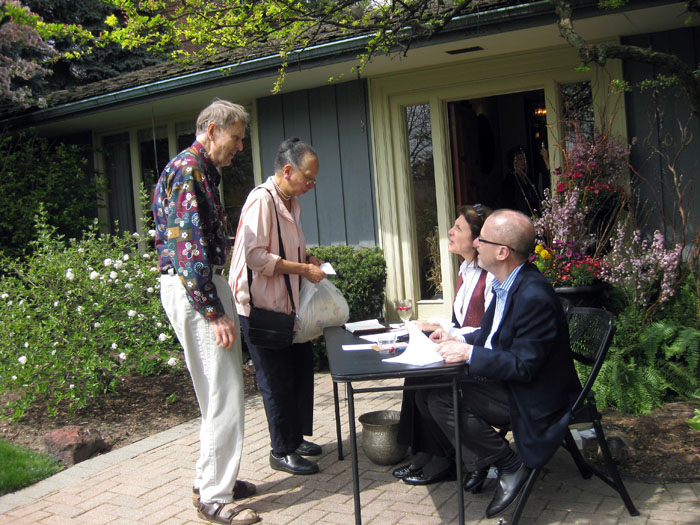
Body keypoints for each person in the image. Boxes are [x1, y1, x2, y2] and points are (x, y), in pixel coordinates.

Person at [417, 209, 582, 518]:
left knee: (441, 398)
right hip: (511, 383)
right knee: (427, 388)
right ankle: (480, 461)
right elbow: (491, 335)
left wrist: (468, 355)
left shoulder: (534, 295)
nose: (476, 243)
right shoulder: (505, 284)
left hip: (535, 395)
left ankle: (508, 463)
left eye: (483, 239)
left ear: (503, 252)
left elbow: (524, 366)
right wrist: (459, 341)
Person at [153, 99, 260, 525]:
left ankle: (212, 480)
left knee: (215, 390)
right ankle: (214, 498)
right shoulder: (188, 170)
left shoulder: (196, 170)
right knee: (224, 391)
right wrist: (214, 312)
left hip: (194, 288)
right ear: (212, 130)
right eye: (235, 139)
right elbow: (188, 247)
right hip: (196, 290)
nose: (238, 148)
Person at [229, 137, 326, 476]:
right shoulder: (262, 200)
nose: (312, 185)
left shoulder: (290, 201)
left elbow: (286, 248)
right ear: (288, 171)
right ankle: (281, 450)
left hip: (287, 306)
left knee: (299, 372)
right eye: (309, 178)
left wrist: (307, 258)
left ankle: (296, 439)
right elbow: (255, 257)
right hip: (260, 308)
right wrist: (302, 269)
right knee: (275, 379)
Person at [393, 204, 495, 486]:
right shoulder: (466, 270)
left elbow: (486, 330)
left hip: (479, 361)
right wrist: (434, 325)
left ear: (477, 240)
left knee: (429, 381)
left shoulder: (490, 276)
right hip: (464, 348)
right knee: (415, 374)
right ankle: (426, 450)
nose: (450, 231)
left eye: (458, 228)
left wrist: (449, 334)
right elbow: (461, 321)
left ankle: (445, 458)